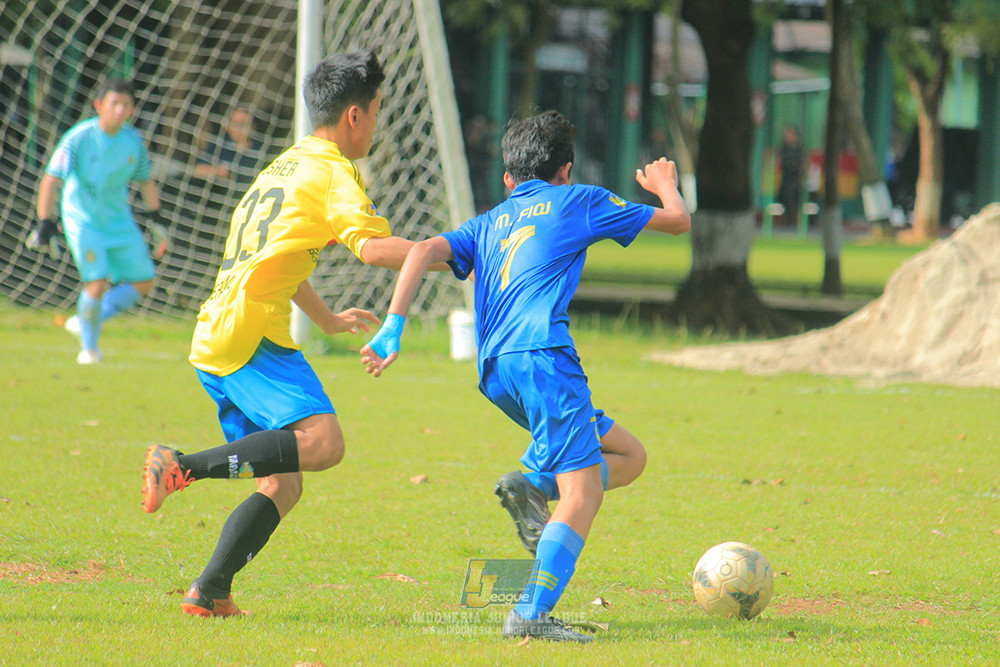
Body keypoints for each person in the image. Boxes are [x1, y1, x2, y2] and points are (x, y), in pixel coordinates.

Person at [360, 110, 691, 642]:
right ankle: (531, 614)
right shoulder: (579, 199)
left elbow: (421, 250)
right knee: (583, 492)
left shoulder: (488, 220)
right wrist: (665, 186)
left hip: (497, 371)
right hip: (544, 360)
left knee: (629, 456)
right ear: (566, 170)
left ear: (509, 178)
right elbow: (677, 221)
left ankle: (533, 485)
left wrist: (393, 328)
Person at [141, 50, 448, 618]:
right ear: (354, 116)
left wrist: (327, 317)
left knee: (284, 484)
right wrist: (449, 255)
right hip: (251, 335)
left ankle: (210, 591)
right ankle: (180, 464)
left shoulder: (285, 165)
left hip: (221, 333)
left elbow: (282, 255)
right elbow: (375, 250)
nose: (377, 124)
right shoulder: (335, 171)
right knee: (325, 443)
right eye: (377, 111)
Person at [29, 78, 167, 365]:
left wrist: (156, 218)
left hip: (117, 220)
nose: (119, 109)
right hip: (83, 220)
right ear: (99, 105)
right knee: (96, 283)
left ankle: (84, 320)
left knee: (145, 280)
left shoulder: (133, 141)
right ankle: (89, 350)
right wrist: (45, 221)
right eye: (114, 103)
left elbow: (145, 180)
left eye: (126, 105)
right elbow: (52, 178)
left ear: (132, 110)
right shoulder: (79, 138)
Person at [193, 107, 266, 189]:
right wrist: (217, 171)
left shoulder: (262, 152)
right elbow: (197, 170)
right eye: (235, 124)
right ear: (227, 126)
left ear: (253, 127)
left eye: (243, 124)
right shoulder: (219, 147)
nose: (238, 129)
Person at [776, 125, 804, 228]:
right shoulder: (783, 147)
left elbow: (802, 164)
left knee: (793, 198)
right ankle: (787, 218)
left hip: (795, 177)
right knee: (783, 197)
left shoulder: (799, 149)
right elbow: (778, 162)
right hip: (785, 176)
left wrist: (801, 178)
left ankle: (793, 220)